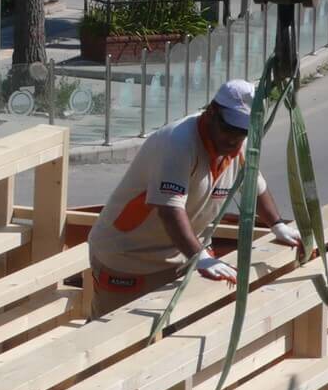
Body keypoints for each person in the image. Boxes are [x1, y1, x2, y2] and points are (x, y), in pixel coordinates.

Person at [84, 80, 300, 317]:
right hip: (129, 257)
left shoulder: (239, 145)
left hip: (185, 253)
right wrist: (201, 258)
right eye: (229, 129)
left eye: (242, 132)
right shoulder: (178, 143)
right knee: (117, 342)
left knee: (191, 329)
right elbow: (169, 210)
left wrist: (277, 224)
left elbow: (254, 186)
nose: (233, 139)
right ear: (211, 113)